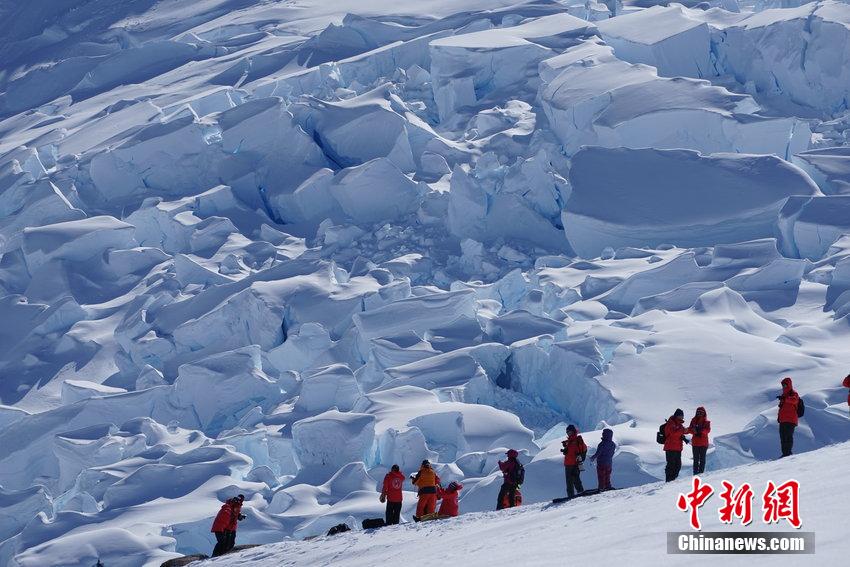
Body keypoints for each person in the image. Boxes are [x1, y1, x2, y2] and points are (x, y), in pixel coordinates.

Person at [663, 409, 690, 482]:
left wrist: (689, 429)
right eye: (680, 416)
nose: (681, 417)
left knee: (678, 466)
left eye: (682, 416)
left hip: (678, 448)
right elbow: (673, 433)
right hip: (670, 448)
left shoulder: (679, 425)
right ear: (676, 415)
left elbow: (684, 431)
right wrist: (682, 430)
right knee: (671, 466)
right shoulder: (670, 423)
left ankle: (672, 480)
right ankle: (668, 481)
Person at [561, 425, 587, 498]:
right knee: (574, 479)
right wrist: (565, 448)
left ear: (573, 431)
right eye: (567, 432)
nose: (567, 433)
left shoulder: (578, 440)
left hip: (573, 463)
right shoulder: (570, 440)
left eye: (569, 431)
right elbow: (571, 450)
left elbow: (583, 449)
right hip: (569, 463)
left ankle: (572, 495)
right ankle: (579, 492)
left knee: (572, 480)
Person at [777, 377, 800, 457]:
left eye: (785, 385)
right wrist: (779, 418)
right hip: (783, 420)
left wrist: (785, 399)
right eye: (783, 385)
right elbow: (781, 408)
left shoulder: (793, 393)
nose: (784, 386)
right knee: (782, 437)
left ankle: (788, 453)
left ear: (789, 385)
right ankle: (784, 453)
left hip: (790, 420)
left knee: (788, 436)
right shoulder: (784, 395)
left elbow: (794, 400)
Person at [689, 407, 711, 475]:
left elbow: (708, 430)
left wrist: (700, 431)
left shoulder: (706, 422)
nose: (699, 413)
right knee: (696, 460)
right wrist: (694, 431)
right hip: (696, 443)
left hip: (703, 444)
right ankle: (695, 473)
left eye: (701, 412)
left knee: (702, 459)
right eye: (698, 412)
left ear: (704, 413)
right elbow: (690, 429)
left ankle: (701, 473)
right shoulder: (693, 420)